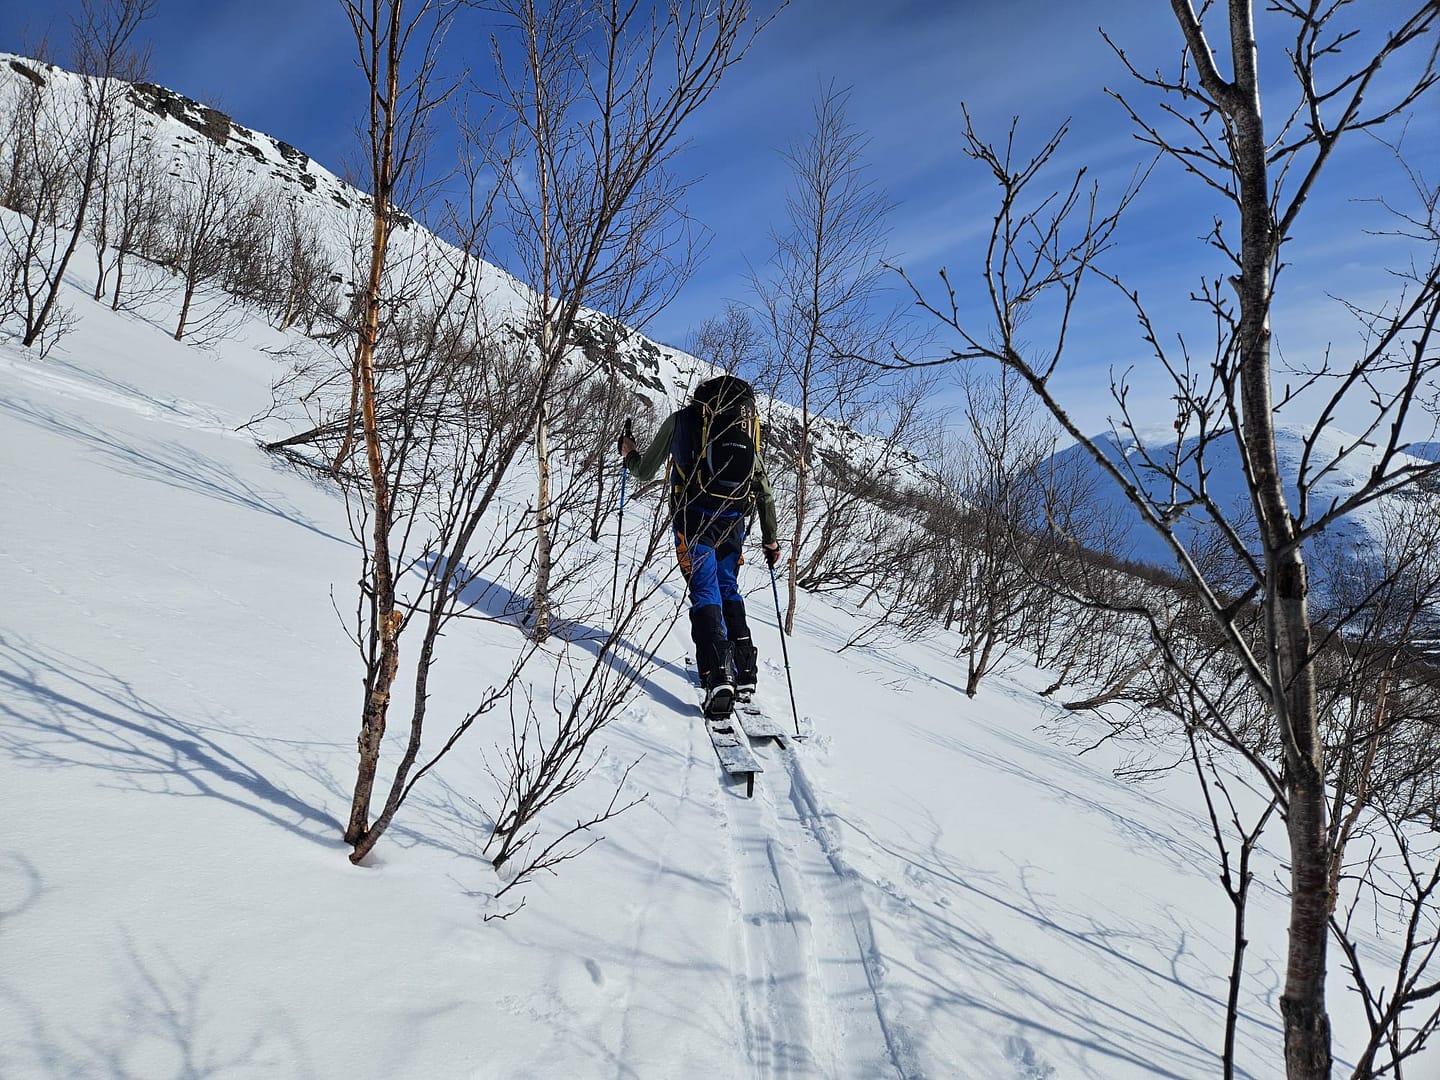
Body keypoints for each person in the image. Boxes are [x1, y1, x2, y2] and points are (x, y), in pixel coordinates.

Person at [619, 375, 781, 719]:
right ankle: (744, 671)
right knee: (728, 588)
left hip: (693, 522)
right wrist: (770, 538)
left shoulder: (681, 421)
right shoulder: (745, 429)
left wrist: (629, 453)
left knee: (705, 592)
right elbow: (764, 491)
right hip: (733, 524)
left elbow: (644, 472)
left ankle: (717, 676)